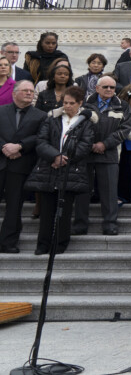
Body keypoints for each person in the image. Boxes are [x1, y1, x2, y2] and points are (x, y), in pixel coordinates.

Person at [25, 86, 93, 256]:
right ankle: (43, 244)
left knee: (64, 210)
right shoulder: (52, 119)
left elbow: (85, 145)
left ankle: (60, 243)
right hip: (50, 168)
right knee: (47, 210)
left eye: (71, 103)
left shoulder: (85, 122)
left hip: (71, 170)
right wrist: (55, 156)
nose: (67, 106)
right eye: (65, 102)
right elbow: (41, 141)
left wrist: (65, 159)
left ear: (80, 103)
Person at [73, 75, 131, 236]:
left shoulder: (123, 106)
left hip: (110, 154)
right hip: (85, 153)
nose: (109, 90)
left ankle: (110, 224)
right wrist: (89, 143)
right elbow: (77, 127)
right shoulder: (84, 105)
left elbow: (125, 129)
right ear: (97, 88)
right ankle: (80, 224)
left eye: (112, 88)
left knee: (110, 192)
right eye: (105, 87)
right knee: (82, 191)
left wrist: (104, 144)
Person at [0, 80, 47, 253]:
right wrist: (4, 147)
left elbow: (40, 137)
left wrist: (19, 146)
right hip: (1, 161)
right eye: (25, 90)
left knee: (14, 207)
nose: (29, 93)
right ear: (14, 93)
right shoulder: (1, 111)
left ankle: (8, 243)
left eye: (31, 91)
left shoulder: (41, 115)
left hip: (20, 166)